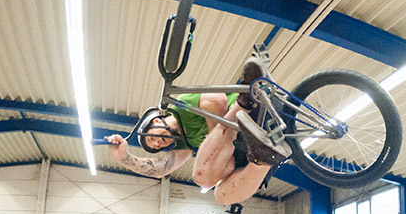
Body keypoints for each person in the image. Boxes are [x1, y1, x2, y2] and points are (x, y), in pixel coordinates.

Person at [104, 57, 288, 206]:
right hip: (250, 147)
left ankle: (245, 101)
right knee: (215, 190)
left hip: (249, 113)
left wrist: (216, 144)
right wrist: (123, 158)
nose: (158, 144)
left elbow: (216, 100)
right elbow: (161, 169)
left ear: (156, 120)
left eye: (153, 138)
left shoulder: (182, 107)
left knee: (204, 167)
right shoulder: (185, 143)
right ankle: (263, 160)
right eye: (157, 147)